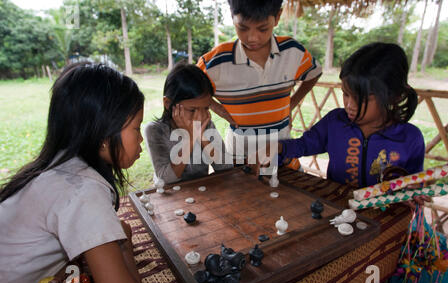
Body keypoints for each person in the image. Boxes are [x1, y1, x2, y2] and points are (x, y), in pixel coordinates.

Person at [0, 63, 143, 283]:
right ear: (104, 134)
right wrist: (124, 243)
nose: (140, 139)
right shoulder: (82, 189)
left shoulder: (61, 165)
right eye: (136, 128)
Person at [259, 42, 425, 188]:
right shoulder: (336, 122)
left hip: (386, 218)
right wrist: (279, 147)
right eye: (346, 94)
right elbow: (304, 145)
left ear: (393, 96)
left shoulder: (409, 138)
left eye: (362, 99)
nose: (349, 105)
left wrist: (414, 190)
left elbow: (414, 182)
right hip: (340, 212)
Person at [197, 0, 322, 161]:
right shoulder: (215, 62)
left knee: (285, 185)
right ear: (232, 16)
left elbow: (314, 73)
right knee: (241, 184)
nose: (252, 38)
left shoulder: (292, 52)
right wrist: (217, 108)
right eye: (243, 28)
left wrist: (291, 103)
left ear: (277, 17)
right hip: (240, 154)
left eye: (263, 29)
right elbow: (189, 88)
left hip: (281, 150)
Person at [145, 63, 233, 184]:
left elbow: (226, 166)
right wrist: (190, 138)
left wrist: (201, 136)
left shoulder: (206, 125)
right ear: (168, 103)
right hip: (170, 197)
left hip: (199, 193)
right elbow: (165, 179)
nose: (201, 116)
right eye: (192, 110)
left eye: (206, 108)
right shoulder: (155, 131)